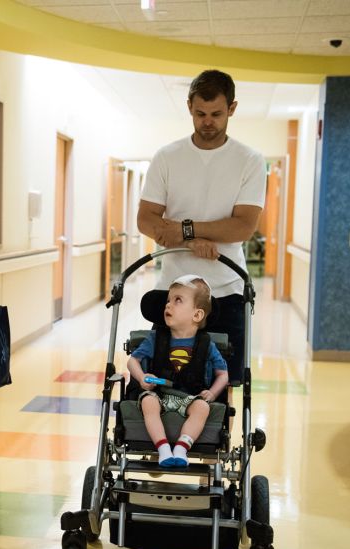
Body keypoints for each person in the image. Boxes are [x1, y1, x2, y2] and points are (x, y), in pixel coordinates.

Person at [136, 69, 266, 382]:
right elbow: (145, 219)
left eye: (217, 114)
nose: (208, 121)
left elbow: (243, 227)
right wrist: (195, 240)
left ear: (232, 109)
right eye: (200, 113)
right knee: (166, 380)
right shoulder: (167, 157)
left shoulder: (249, 160)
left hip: (227, 291)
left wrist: (185, 230)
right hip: (174, 292)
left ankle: (222, 434)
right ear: (189, 107)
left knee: (225, 383)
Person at [126, 275, 229, 468]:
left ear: (197, 315)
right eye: (168, 300)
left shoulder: (206, 345)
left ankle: (181, 448)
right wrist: (142, 377)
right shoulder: (156, 338)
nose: (168, 305)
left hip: (190, 396)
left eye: (177, 300)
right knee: (148, 401)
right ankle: (163, 448)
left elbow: (223, 375)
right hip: (159, 393)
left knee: (202, 407)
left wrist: (212, 393)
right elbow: (133, 361)